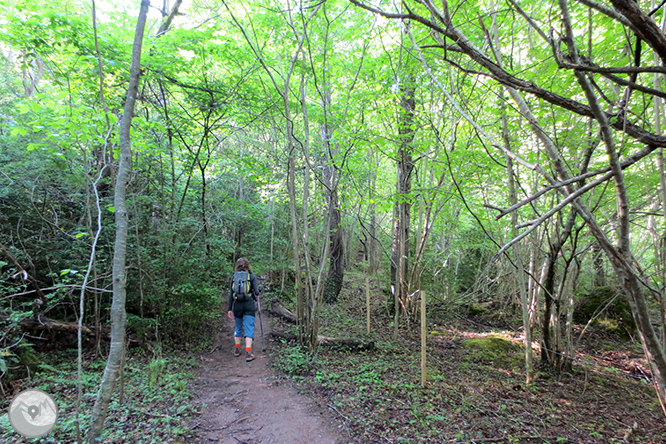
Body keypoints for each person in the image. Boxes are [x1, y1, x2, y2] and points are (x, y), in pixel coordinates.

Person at [227, 257, 260, 362]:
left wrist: (230, 309)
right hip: (249, 304)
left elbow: (231, 294)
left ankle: (237, 350)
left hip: (237, 305)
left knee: (238, 326)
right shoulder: (252, 277)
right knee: (249, 326)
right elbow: (257, 292)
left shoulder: (234, 278)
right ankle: (248, 352)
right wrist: (255, 299)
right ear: (248, 265)